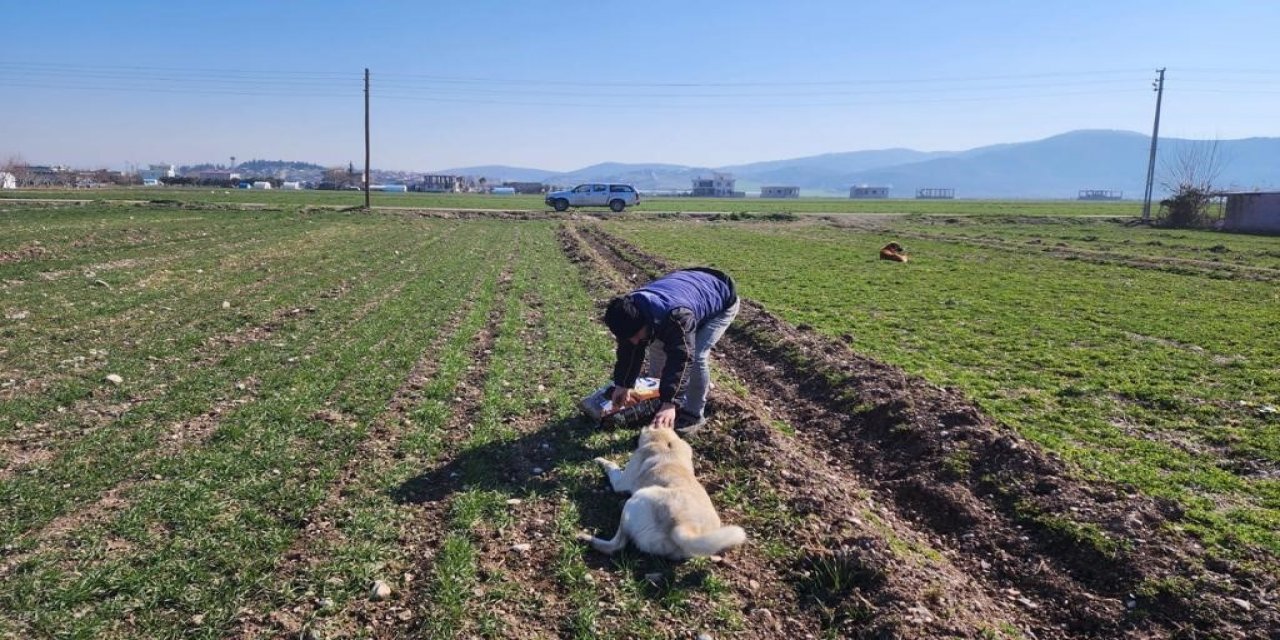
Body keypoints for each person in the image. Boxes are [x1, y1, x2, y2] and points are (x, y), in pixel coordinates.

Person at [602, 267, 740, 433]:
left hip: (720, 294)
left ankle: (693, 415)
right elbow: (630, 350)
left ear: (644, 322)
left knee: (696, 356)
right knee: (656, 346)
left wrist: (670, 402)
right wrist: (623, 385)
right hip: (688, 286)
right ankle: (655, 398)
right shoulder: (628, 314)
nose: (634, 341)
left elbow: (682, 358)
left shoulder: (677, 317)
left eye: (636, 335)